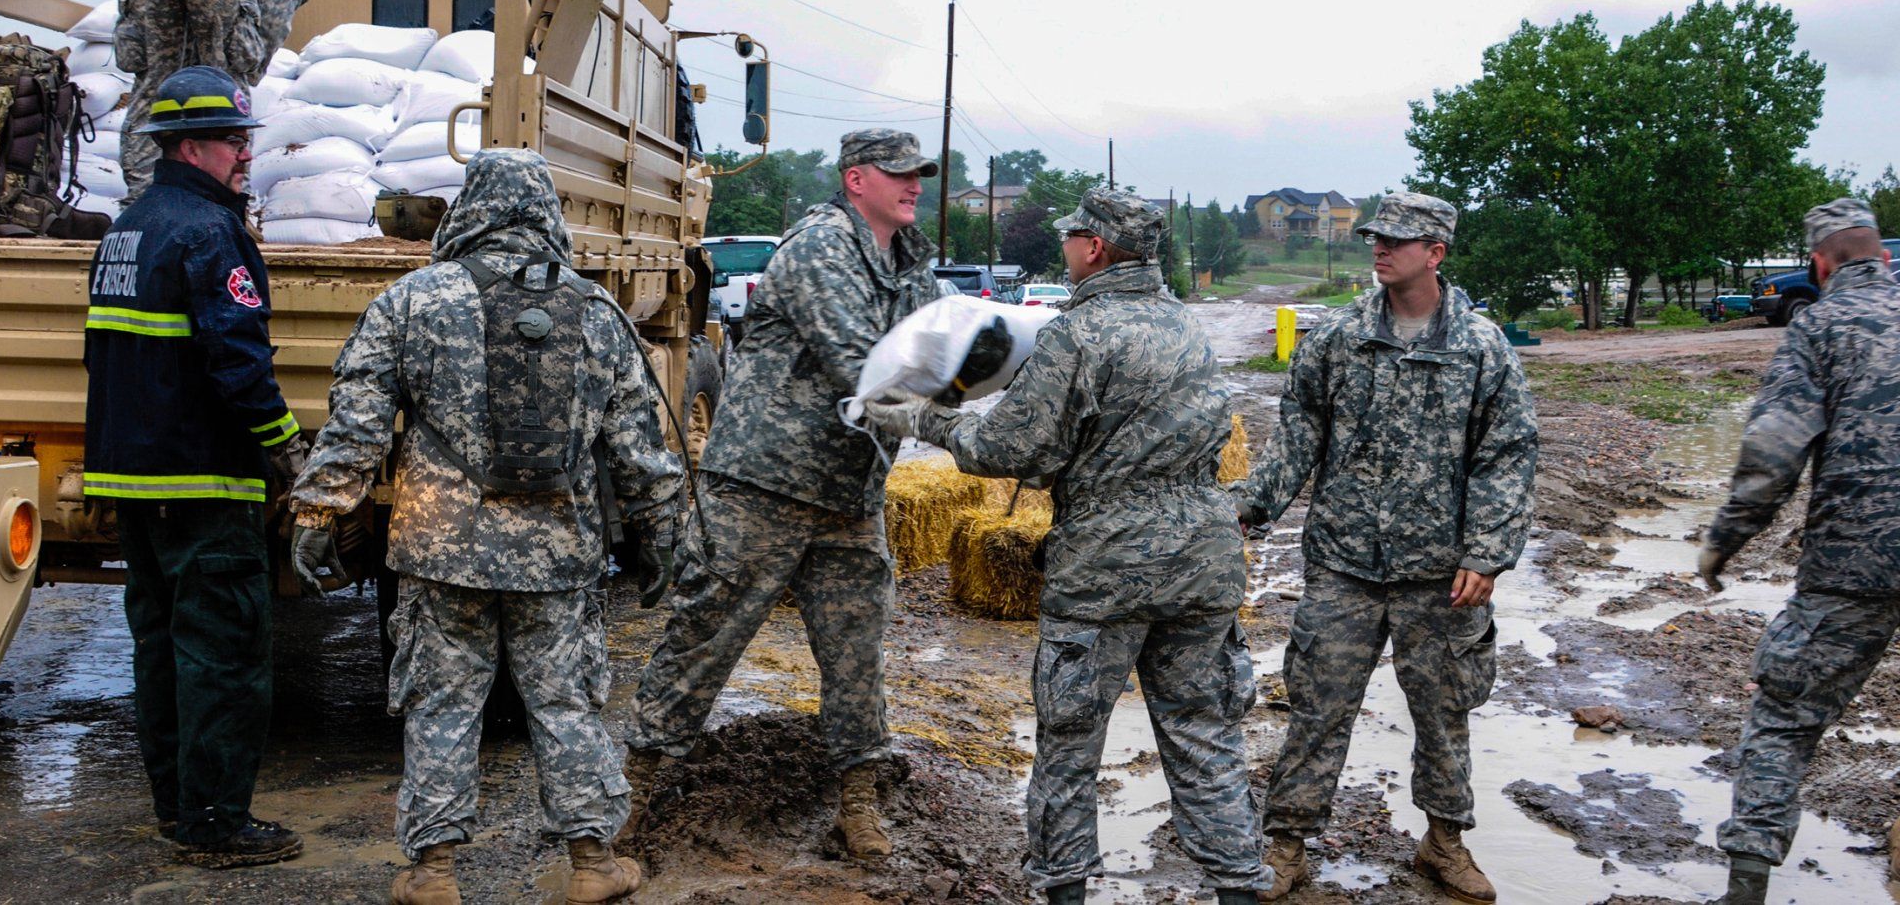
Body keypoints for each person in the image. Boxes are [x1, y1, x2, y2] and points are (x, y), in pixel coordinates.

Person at [285, 148, 685, 905]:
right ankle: (594, 865)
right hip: (558, 557)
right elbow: (641, 447)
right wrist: (662, 536)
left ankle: (433, 873)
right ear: (545, 211)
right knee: (566, 703)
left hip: (443, 553)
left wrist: (318, 511)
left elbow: (357, 424)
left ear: (471, 206)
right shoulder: (595, 311)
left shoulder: (413, 301)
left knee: (441, 701)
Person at [866, 187, 1272, 905]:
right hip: (1204, 561)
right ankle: (1238, 889)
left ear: (1095, 248)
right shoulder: (1185, 327)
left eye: (1072, 238)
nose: (1065, 248)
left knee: (1069, 747)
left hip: (1106, 566)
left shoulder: (1076, 334)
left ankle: (1063, 892)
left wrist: (920, 421)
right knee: (1206, 739)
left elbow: (1005, 447)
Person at [624, 128, 945, 858]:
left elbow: (941, 351)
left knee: (857, 655)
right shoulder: (819, 246)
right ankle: (628, 801)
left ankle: (858, 807)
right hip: (763, 487)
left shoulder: (912, 265)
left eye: (920, 173)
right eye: (898, 174)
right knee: (704, 642)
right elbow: (866, 366)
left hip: (847, 494)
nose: (914, 185)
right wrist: (958, 429)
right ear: (855, 179)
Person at [1232, 191, 1537, 903]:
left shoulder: (1481, 346)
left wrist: (1486, 551)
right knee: (1317, 706)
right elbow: (1299, 432)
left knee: (1444, 712)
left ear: (1435, 253)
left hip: (1442, 574)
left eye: (1397, 240)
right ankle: (1285, 845)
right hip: (1344, 564)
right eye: (1376, 237)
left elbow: (1508, 453)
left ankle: (1444, 843)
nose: (1380, 248)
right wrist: (1251, 509)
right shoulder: (1339, 337)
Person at [82, 64, 309, 867]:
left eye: (244, 139)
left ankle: (179, 812)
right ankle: (217, 826)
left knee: (164, 653)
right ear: (188, 147)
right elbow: (236, 359)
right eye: (230, 141)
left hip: (136, 482)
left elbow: (101, 357)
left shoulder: (128, 228)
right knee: (224, 655)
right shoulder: (209, 234)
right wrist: (285, 446)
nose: (245, 155)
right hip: (203, 482)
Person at [1699, 198, 1898, 905]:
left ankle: (1747, 888)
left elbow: (1773, 454)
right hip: (1857, 565)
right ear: (1879, 254)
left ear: (1818, 263)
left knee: (1782, 718)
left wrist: (1723, 544)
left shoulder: (1820, 325)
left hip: (1855, 566)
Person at [115, 0, 307, 203]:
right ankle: (228, 208)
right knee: (224, 90)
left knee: (154, 88)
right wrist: (250, 63)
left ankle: (142, 205)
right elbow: (278, 7)